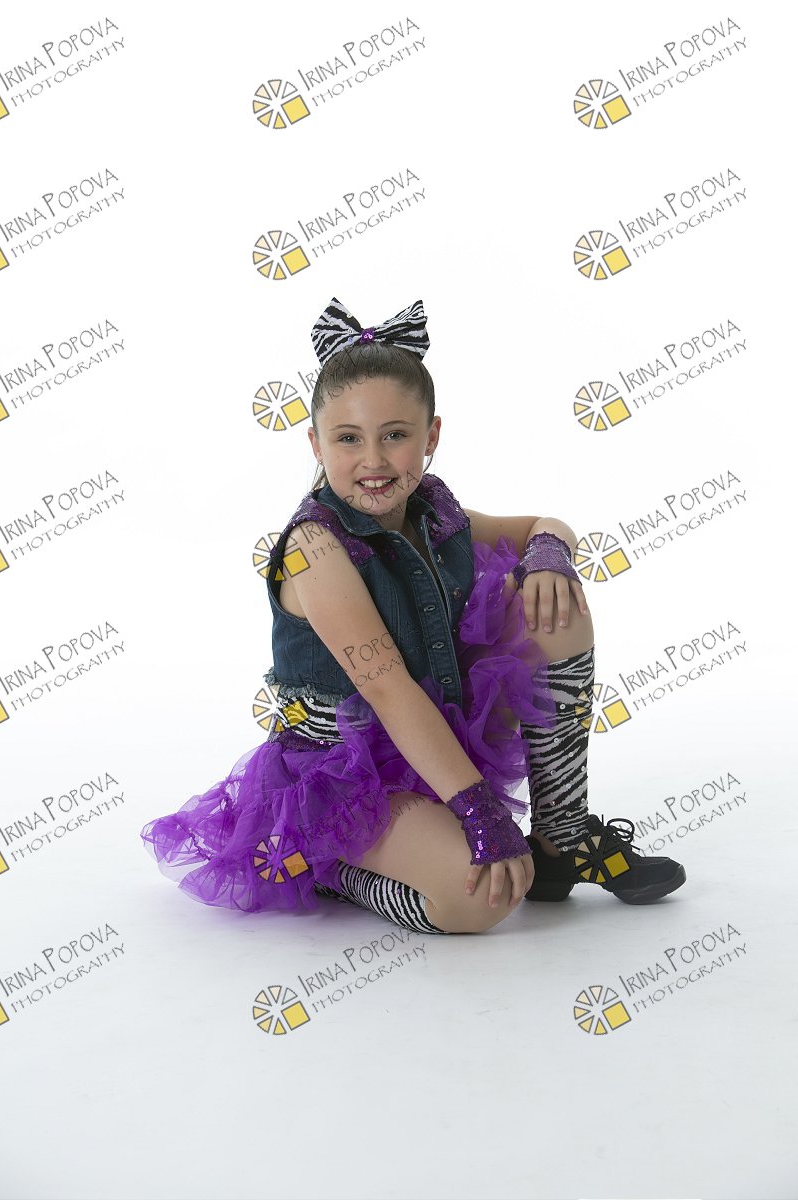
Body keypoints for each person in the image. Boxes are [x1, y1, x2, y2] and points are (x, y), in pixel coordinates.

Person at [140, 296, 686, 936]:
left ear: (431, 437)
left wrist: (548, 553)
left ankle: (561, 836)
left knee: (555, 606)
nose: (373, 461)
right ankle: (326, 863)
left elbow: (544, 524)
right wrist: (479, 810)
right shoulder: (315, 549)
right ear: (315, 443)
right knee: (477, 903)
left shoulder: (432, 510)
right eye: (348, 438)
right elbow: (388, 690)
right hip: (343, 774)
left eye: (395, 436)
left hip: (434, 738)